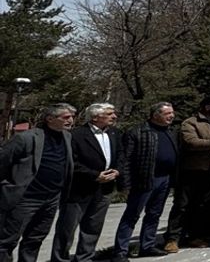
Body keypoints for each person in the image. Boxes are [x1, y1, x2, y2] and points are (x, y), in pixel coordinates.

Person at [0, 103, 76, 262]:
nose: (70, 120)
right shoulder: (26, 138)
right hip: (25, 198)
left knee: (35, 239)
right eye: (66, 117)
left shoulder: (67, 137)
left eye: (72, 117)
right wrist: (8, 187)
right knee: (7, 240)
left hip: (51, 199)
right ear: (50, 119)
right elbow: (3, 162)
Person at [52, 103, 121, 262]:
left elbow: (121, 155)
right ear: (95, 117)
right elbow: (72, 162)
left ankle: (85, 257)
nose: (114, 116)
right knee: (67, 228)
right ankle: (60, 259)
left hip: (105, 188)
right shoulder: (76, 135)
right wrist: (95, 175)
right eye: (109, 114)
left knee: (93, 227)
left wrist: (117, 171)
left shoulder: (114, 133)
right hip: (80, 189)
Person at [164, 94, 210, 251]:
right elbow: (192, 142)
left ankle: (195, 236)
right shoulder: (190, 122)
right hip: (192, 170)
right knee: (182, 205)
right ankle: (172, 238)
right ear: (208, 107)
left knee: (203, 205)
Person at [112, 103, 178, 262]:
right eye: (167, 113)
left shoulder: (170, 132)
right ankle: (120, 251)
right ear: (155, 115)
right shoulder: (138, 132)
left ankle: (147, 245)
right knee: (131, 215)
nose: (171, 116)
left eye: (172, 113)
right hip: (144, 180)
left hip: (165, 179)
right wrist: (124, 183)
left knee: (154, 214)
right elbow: (126, 159)